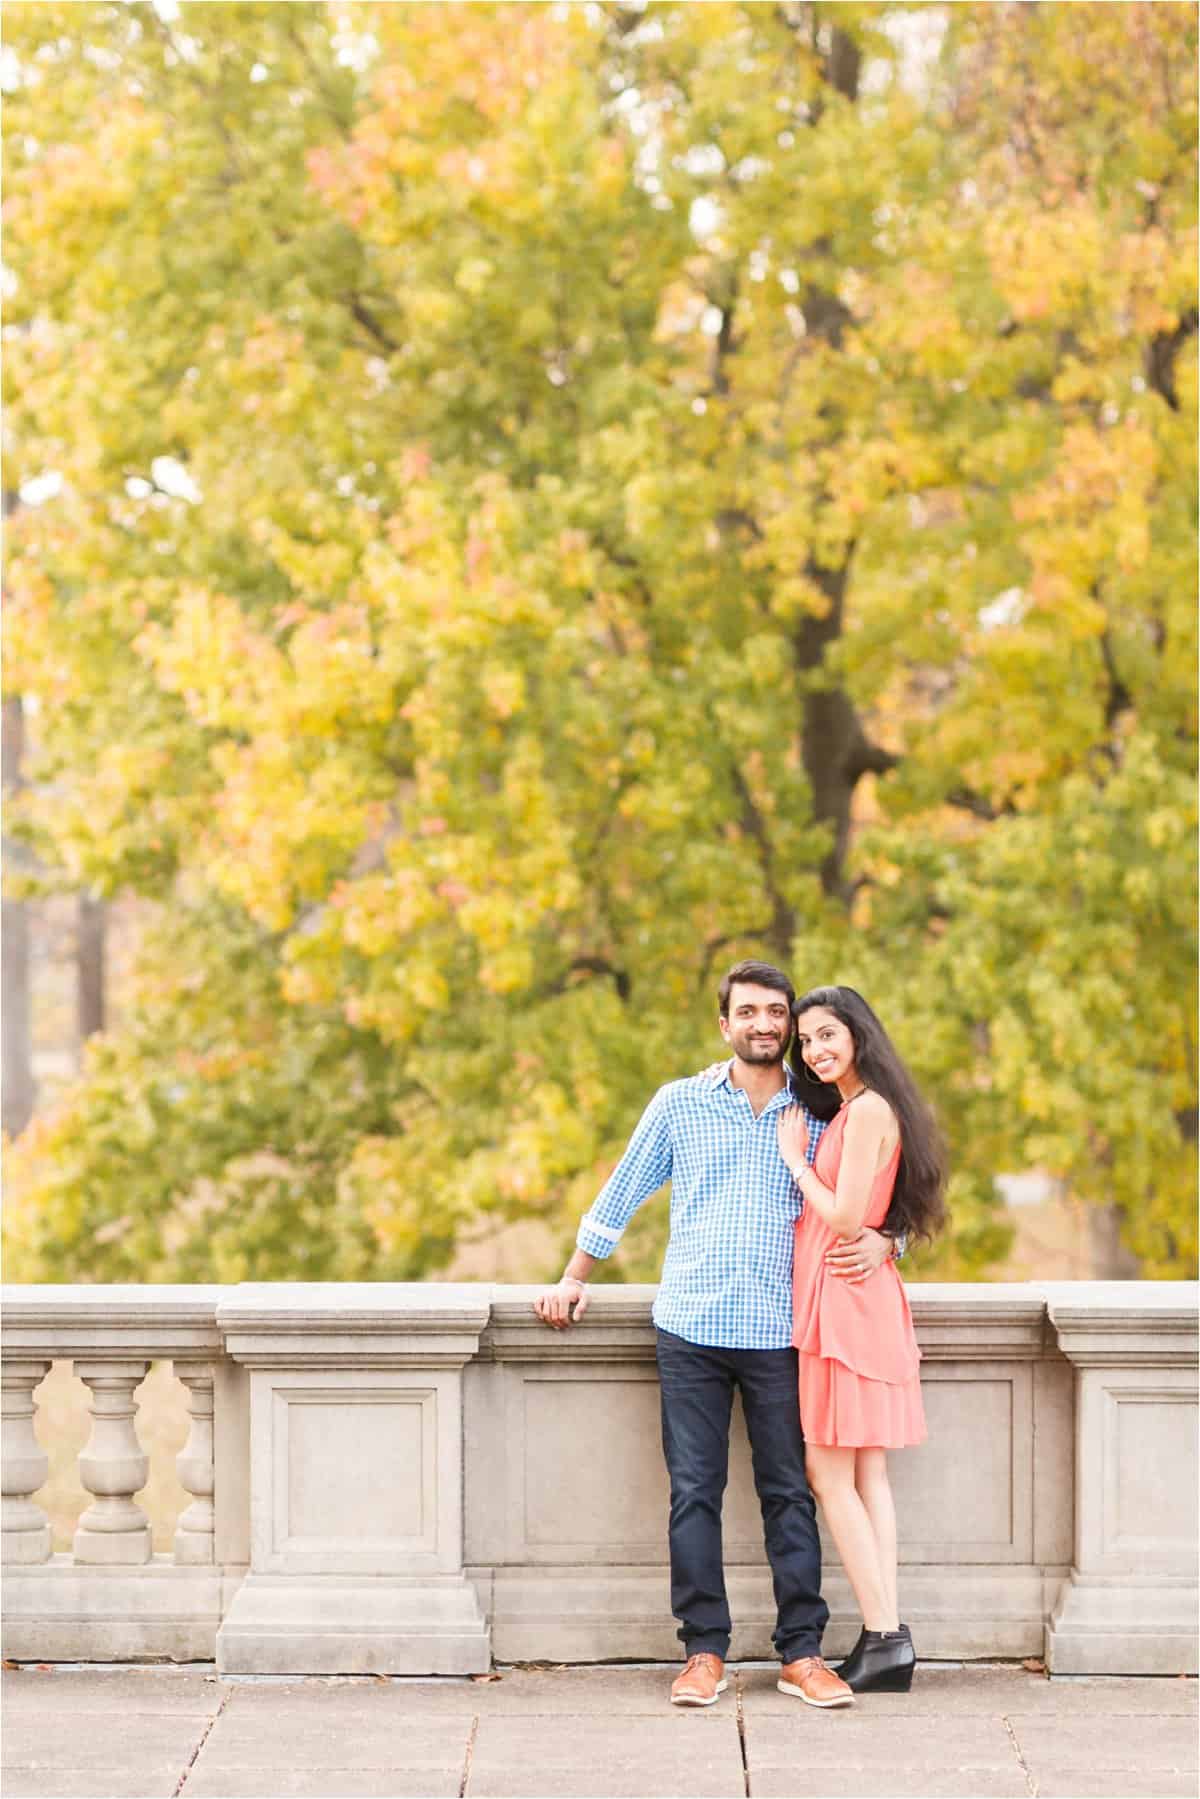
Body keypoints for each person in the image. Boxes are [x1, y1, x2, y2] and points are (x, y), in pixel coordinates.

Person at [533, 960, 898, 1710]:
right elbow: (622, 1189)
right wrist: (573, 1275)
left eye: (777, 1012)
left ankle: (803, 1652)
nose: (764, 1024)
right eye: (749, 1012)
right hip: (691, 1327)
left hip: (781, 1332)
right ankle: (704, 1650)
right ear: (723, 1022)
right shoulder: (680, 1104)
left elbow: (885, 1187)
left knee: (789, 1493)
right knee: (694, 1492)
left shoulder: (825, 1109)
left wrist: (893, 1240)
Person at [776, 984, 947, 1695]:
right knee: (867, 1474)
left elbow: (846, 1217)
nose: (815, 1050)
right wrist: (889, 1239)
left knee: (829, 1474)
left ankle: (884, 1635)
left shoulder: (867, 1109)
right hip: (857, 1297)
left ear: (858, 1032)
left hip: (843, 1307)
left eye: (826, 1035)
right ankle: (889, 1634)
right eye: (806, 1040)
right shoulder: (867, 1107)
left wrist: (794, 1159)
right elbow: (874, 1217)